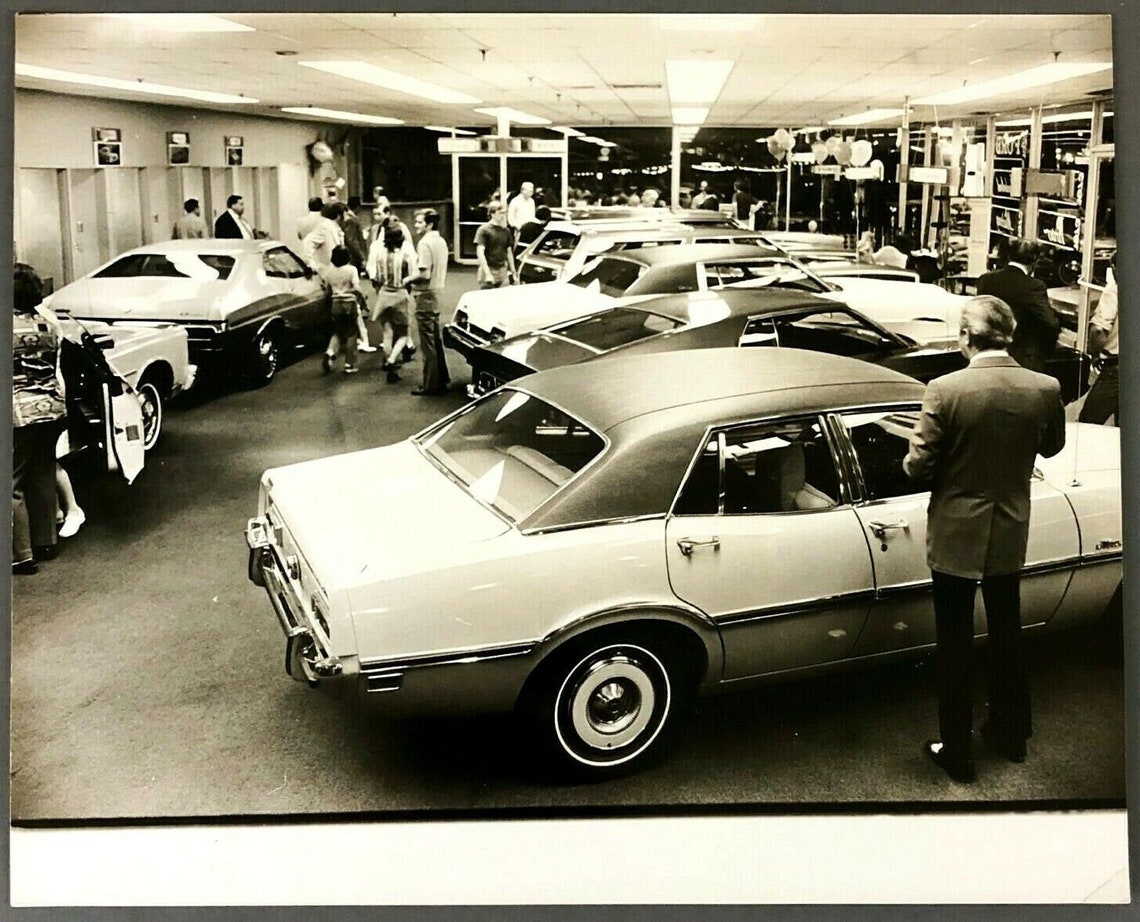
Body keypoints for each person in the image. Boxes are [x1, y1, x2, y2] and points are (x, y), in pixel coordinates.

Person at [903, 295, 1066, 783]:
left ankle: (957, 752)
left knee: (954, 642)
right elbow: (1052, 446)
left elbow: (918, 466)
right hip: (1010, 526)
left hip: (956, 532)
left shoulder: (945, 389)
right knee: (1006, 635)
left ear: (967, 337)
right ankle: (1011, 734)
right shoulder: (1044, 387)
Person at [13, 262, 68, 575]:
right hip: (51, 409)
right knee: (43, 473)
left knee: (10, 484)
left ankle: (20, 554)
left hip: (17, 413)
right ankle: (46, 541)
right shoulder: (47, 324)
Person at [976, 238, 1061, 373]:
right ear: (1034, 260)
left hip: (987, 354)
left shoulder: (986, 280)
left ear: (1010, 256)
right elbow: (1050, 323)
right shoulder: (1033, 286)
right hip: (1023, 358)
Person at [367, 221, 417, 384]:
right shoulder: (405, 255)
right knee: (402, 334)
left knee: (387, 333)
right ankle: (392, 360)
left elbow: (375, 276)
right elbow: (411, 275)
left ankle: (388, 362)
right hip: (399, 293)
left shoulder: (380, 254)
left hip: (384, 294)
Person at [410, 208, 450, 396]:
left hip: (424, 293)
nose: (416, 225)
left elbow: (423, 273)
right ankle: (441, 377)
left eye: (419, 222)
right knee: (435, 337)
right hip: (437, 291)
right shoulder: (440, 241)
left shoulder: (425, 243)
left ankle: (430, 383)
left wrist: (407, 279)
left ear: (429, 224)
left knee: (427, 342)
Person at [1078, 257, 1118, 425]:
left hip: (1116, 368)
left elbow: (1098, 329)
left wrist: (1095, 355)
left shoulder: (1114, 289)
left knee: (1088, 422)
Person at [319, 245, 365, 376]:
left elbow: (327, 290)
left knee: (338, 332)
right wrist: (363, 297)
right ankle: (349, 364)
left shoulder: (329, 272)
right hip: (349, 303)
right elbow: (356, 287)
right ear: (348, 257)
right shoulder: (351, 270)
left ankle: (330, 352)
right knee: (351, 334)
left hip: (335, 304)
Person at [474, 202, 517, 289]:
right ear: (492, 213)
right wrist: (487, 273)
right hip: (489, 267)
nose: (503, 215)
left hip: (502, 269)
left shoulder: (506, 231)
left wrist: (513, 271)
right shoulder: (484, 230)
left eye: (505, 213)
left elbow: (509, 252)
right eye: (500, 213)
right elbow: (480, 253)